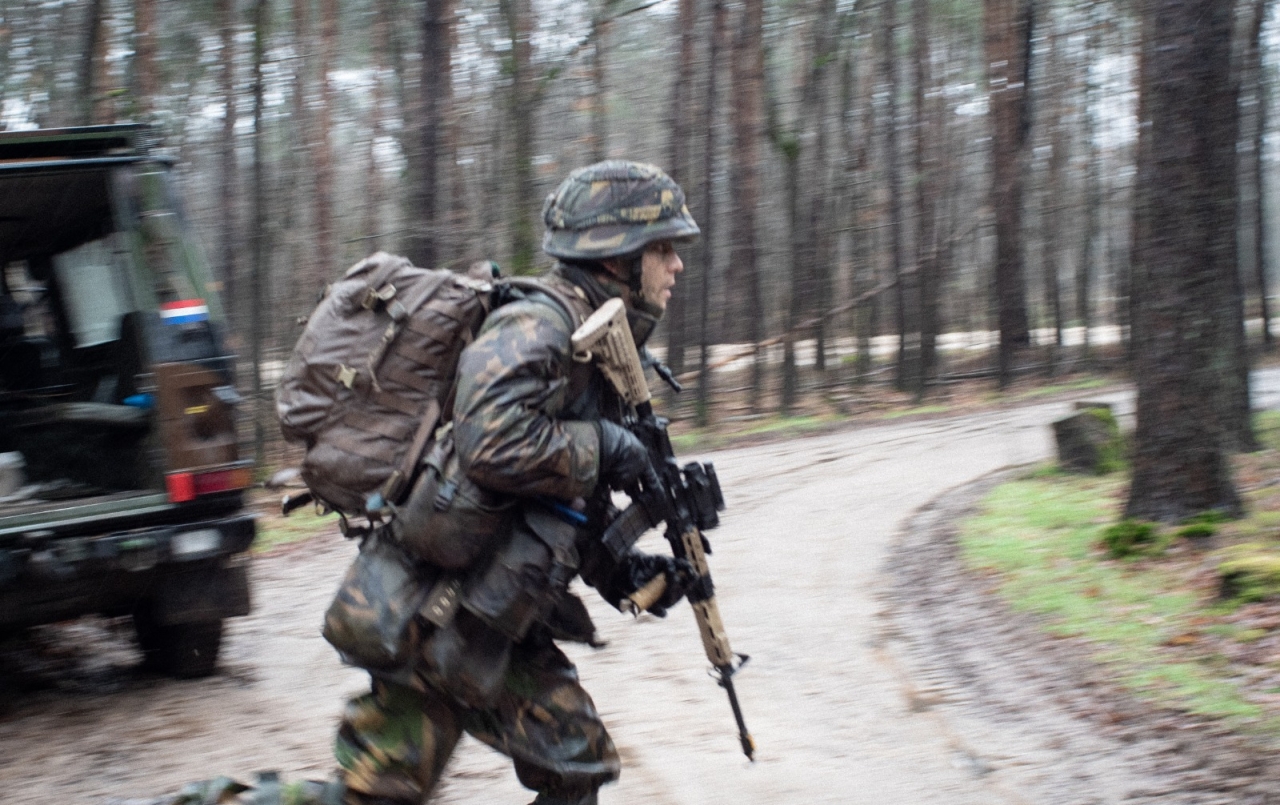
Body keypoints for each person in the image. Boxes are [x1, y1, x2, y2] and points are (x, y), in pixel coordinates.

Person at [333, 160, 701, 805]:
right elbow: (491, 446)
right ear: (615, 257)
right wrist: (608, 445)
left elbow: (558, 504)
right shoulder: (538, 325)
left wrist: (626, 574)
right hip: (432, 611)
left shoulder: (598, 347)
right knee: (378, 797)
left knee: (576, 765)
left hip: (490, 615)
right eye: (663, 249)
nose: (676, 267)